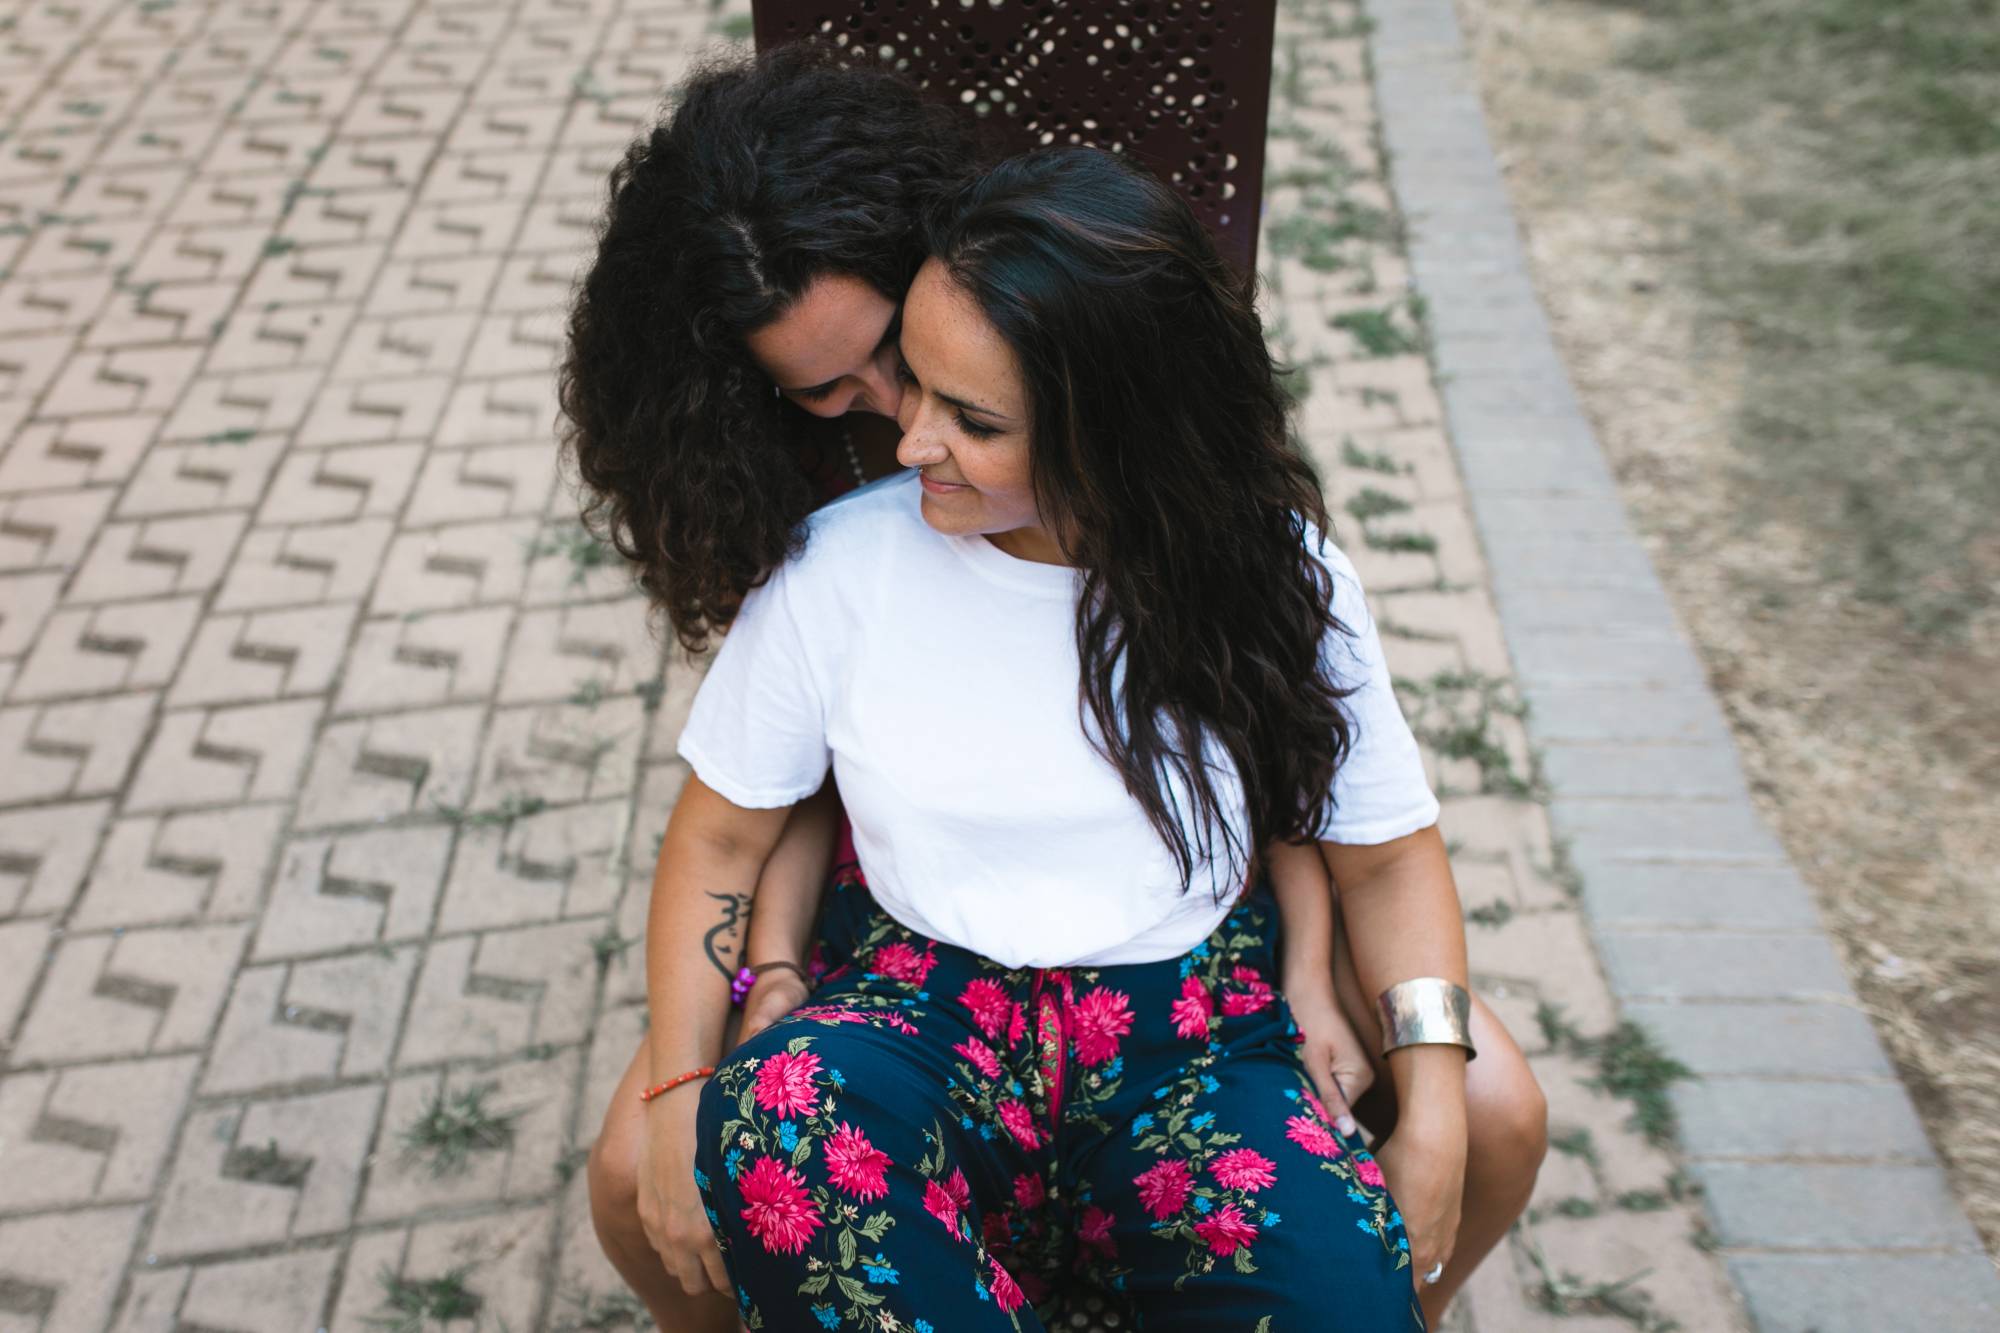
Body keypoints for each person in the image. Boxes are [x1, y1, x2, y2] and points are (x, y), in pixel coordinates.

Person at [561, 49, 1545, 1331]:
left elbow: (1368, 838)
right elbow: (732, 826)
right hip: (921, 993)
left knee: (1349, 1269)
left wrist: (1426, 1108)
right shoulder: (839, 555)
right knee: (758, 1131)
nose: (901, 429)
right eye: (838, 390)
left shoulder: (1254, 560)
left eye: (950, 401)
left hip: (1186, 1018)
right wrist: (702, 1057)